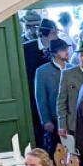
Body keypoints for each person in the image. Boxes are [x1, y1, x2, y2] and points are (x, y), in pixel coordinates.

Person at [23, 18, 59, 148]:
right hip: (33, 95)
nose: (56, 37)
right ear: (46, 34)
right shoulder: (26, 48)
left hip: (51, 96)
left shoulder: (55, 49)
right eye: (54, 33)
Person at [34, 38, 71, 157]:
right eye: (63, 50)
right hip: (54, 118)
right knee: (56, 152)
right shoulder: (43, 71)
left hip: (71, 117)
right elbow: (40, 97)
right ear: (55, 53)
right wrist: (46, 120)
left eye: (67, 49)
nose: (67, 52)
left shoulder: (72, 68)